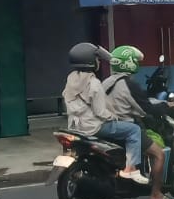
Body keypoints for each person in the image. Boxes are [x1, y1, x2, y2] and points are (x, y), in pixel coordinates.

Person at [62, 42, 149, 184]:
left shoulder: (71, 80)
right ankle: (130, 169)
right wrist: (113, 116)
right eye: (97, 59)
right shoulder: (94, 83)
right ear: (91, 62)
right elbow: (100, 112)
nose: (99, 62)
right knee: (134, 130)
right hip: (94, 127)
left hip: (75, 126)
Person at [103, 46, 174, 199]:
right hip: (124, 126)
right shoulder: (129, 84)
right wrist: (165, 107)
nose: (138, 63)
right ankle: (156, 194)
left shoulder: (107, 81)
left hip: (107, 126)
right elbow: (145, 108)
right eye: (135, 61)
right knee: (159, 155)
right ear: (129, 63)